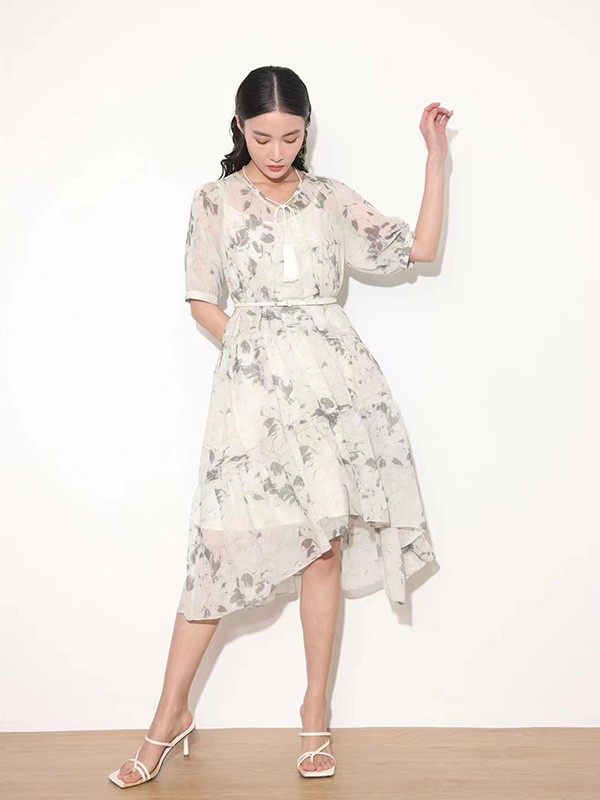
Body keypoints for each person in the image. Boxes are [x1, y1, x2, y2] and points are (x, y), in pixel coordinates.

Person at [109, 65, 451, 788]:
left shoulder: (328, 198)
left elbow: (417, 249)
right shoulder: (214, 201)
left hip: (333, 390)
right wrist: (255, 359)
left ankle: (314, 712)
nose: (276, 151)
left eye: (290, 138)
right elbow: (201, 298)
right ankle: (170, 714)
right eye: (262, 137)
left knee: (322, 550)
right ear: (240, 129)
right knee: (217, 551)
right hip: (253, 396)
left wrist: (435, 157)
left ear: (306, 131)